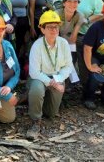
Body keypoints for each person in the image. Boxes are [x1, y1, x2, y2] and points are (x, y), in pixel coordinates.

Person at [26, 10, 77, 140]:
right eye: (49, 27)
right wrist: (52, 83)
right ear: (42, 30)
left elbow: (68, 66)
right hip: (39, 78)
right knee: (37, 88)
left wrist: (58, 79)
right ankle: (35, 120)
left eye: (56, 26)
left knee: (51, 113)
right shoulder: (37, 46)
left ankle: (36, 102)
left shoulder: (63, 43)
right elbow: (34, 72)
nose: (54, 30)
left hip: (57, 77)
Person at [54, 0, 103, 84]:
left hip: (84, 33)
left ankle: (85, 84)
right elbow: (56, 11)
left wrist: (87, 20)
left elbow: (101, 12)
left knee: (84, 60)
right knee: (65, 59)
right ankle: (66, 85)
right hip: (64, 33)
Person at [1, 0, 29, 72]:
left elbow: (27, 7)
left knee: (21, 47)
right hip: (8, 23)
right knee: (8, 47)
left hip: (23, 22)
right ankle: (8, 71)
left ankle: (19, 71)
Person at [55, 0, 85, 64]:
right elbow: (54, 36)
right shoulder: (56, 15)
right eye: (69, 1)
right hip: (55, 40)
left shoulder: (79, 16)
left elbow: (73, 38)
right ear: (64, 3)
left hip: (68, 41)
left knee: (72, 59)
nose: (72, 4)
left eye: (75, 1)